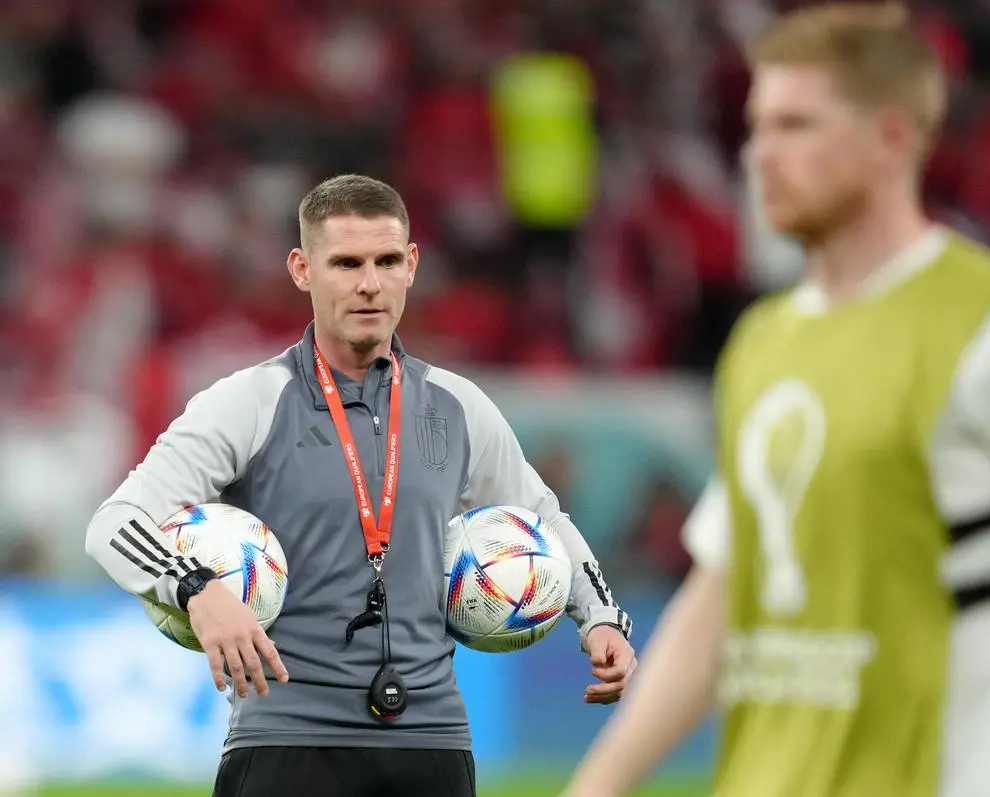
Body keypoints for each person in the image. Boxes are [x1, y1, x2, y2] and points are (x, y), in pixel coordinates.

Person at [563, 5, 990, 797]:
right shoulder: (764, 341)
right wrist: (598, 783)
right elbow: (720, 596)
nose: (760, 156)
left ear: (892, 139)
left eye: (796, 126)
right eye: (756, 127)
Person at [84, 174, 636, 797]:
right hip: (285, 745)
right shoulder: (250, 403)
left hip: (432, 745)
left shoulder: (458, 406)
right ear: (302, 269)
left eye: (387, 261)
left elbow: (543, 519)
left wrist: (601, 618)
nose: (369, 283)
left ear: (412, 265)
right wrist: (196, 590)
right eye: (345, 263)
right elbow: (115, 521)